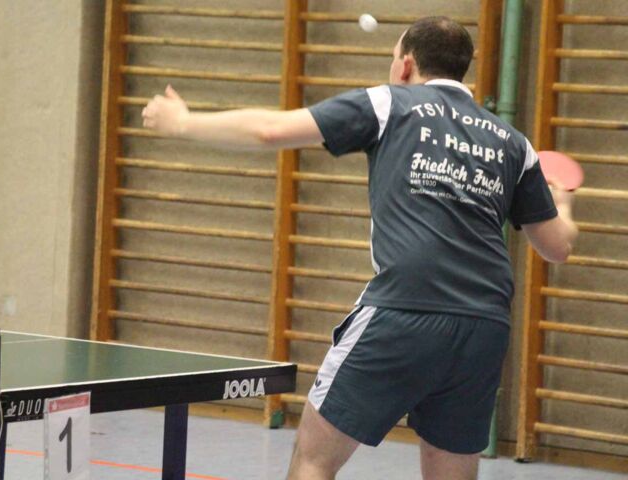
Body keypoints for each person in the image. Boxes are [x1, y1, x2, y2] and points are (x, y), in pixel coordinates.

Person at [141, 16, 578, 480]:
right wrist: (565, 203)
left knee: (314, 458)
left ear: (405, 65)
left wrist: (183, 122)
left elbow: (270, 130)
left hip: (405, 309)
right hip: (484, 326)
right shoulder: (513, 142)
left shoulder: (390, 103)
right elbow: (556, 247)